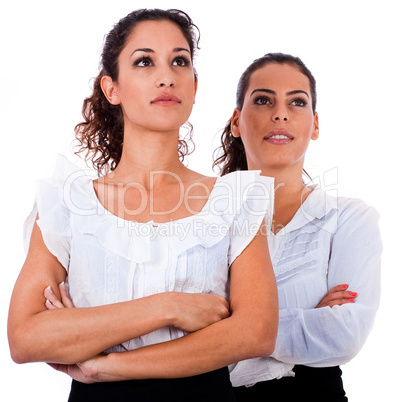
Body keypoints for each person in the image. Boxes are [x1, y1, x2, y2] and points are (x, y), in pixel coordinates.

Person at [7, 9, 279, 402]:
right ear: (111, 88)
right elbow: (25, 337)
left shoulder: (236, 201)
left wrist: (106, 363)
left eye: (180, 61)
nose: (166, 76)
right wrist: (167, 307)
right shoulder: (69, 203)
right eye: (144, 61)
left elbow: (256, 332)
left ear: (195, 86)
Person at [213, 53, 382, 402]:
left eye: (297, 102)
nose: (280, 113)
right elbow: (175, 336)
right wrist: (306, 322)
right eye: (262, 100)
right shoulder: (203, 223)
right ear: (236, 121)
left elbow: (344, 335)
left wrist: (230, 330)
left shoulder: (348, 220)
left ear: (315, 125)